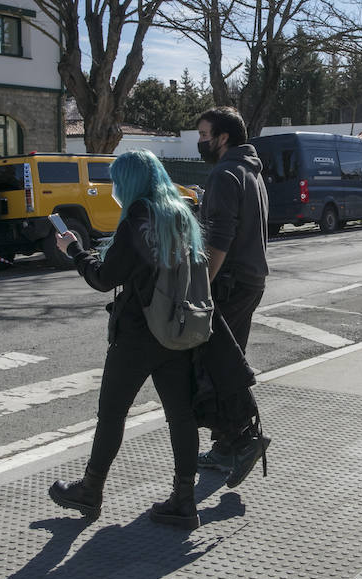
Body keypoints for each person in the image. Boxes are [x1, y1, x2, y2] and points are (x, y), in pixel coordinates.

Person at [47, 149, 207, 530]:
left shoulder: (138, 215)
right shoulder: (181, 213)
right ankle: (184, 499)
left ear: (131, 182)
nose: (115, 187)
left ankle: (90, 489)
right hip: (177, 329)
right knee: (180, 416)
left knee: (113, 413)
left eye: (118, 180)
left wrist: (74, 250)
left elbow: (106, 278)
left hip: (137, 333)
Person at [193, 106, 271, 486]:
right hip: (251, 278)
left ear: (223, 138)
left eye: (204, 134)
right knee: (227, 357)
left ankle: (243, 439)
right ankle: (226, 444)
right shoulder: (250, 171)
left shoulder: (225, 173)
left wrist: (201, 286)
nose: (200, 141)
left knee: (216, 364)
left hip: (228, 281)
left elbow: (221, 238)